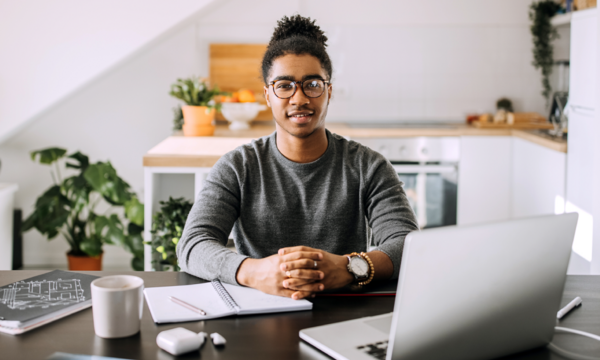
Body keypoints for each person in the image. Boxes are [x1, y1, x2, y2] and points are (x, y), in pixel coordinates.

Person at [177, 15, 418, 300]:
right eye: (284, 85)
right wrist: (253, 271)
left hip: (345, 312)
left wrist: (349, 267)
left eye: (312, 84)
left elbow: (407, 244)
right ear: (268, 95)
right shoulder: (237, 167)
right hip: (257, 316)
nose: (299, 98)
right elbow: (193, 244)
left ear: (329, 91)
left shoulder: (369, 167)